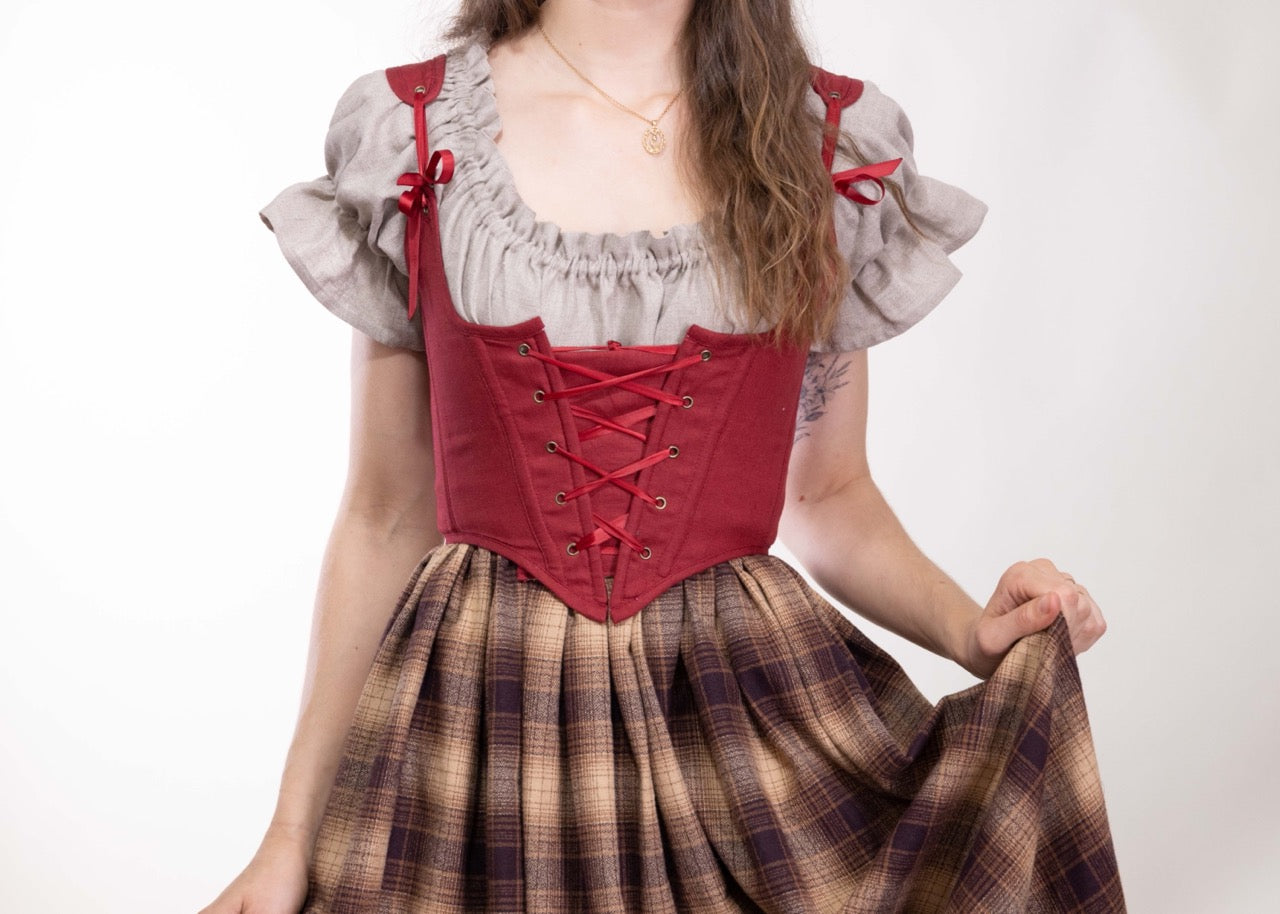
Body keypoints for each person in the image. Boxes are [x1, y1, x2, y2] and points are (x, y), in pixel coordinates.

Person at [201, 1, 1126, 911]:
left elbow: (830, 494)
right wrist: (288, 835)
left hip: (738, 730)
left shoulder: (821, 145)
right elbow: (387, 512)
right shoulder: (416, 135)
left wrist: (972, 632)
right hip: (480, 743)